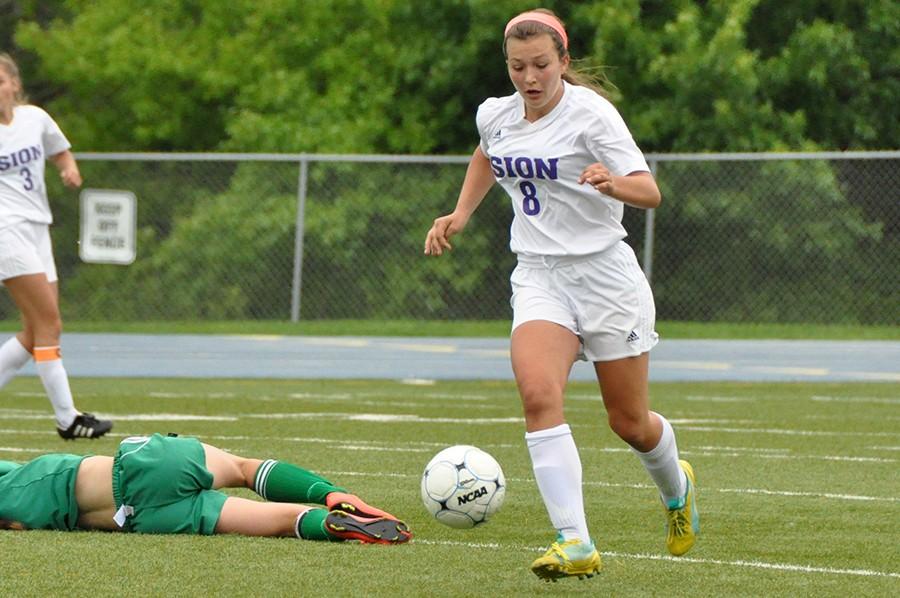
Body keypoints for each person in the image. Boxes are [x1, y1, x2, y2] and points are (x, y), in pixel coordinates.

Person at [424, 9, 698, 582]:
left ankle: (677, 489)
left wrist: (612, 182)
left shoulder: (591, 115)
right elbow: (487, 153)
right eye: (519, 66)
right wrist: (462, 212)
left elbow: (650, 193)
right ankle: (575, 541)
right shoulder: (496, 115)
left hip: (604, 278)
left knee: (629, 423)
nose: (530, 77)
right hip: (540, 276)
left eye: (542, 65)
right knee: (537, 393)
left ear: (563, 63)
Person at [0, 432, 412, 544]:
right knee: (245, 469)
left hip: (145, 519)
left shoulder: (17, 512)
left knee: (285, 523)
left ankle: (326, 523)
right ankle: (329, 495)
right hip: (142, 469)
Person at [0, 52, 112, 440]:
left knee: (36, 331)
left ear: (14, 84)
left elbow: (59, 149)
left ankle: (68, 416)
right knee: (50, 324)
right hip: (5, 230)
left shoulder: (34, 118)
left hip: (37, 227)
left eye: (0, 81)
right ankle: (68, 418)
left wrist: (68, 167)